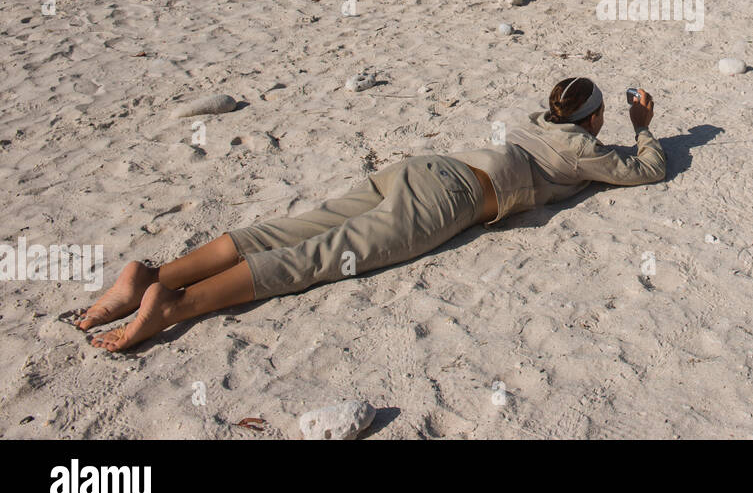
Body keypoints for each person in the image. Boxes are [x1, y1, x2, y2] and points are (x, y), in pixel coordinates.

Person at [73, 79, 665, 352]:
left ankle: (154, 277)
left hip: (422, 168)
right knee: (320, 257)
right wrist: (643, 129)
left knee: (294, 227)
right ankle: (177, 304)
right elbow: (649, 170)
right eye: (603, 114)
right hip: (451, 200)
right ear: (591, 119)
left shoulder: (539, 127)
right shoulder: (587, 151)